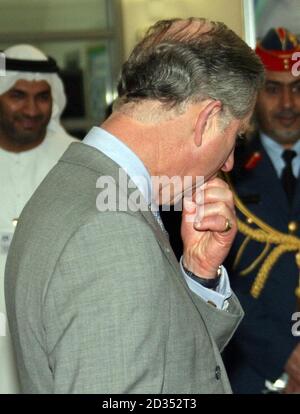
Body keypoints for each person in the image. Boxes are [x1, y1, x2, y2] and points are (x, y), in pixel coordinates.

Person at [5, 18, 264, 394]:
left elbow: (165, 370)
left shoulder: (76, 180)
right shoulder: (110, 232)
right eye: (235, 138)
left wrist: (197, 273)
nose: (227, 164)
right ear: (207, 118)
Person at [223, 27, 300, 394]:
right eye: (273, 89)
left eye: (298, 88)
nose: (287, 103)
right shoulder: (224, 166)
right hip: (253, 373)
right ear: (253, 96)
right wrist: (284, 355)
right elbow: (219, 276)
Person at [0, 44, 77, 393]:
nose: (31, 109)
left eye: (42, 97)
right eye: (18, 95)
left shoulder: (77, 162)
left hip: (55, 333)